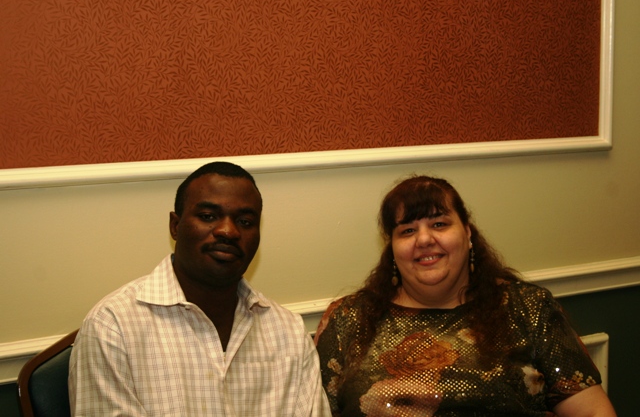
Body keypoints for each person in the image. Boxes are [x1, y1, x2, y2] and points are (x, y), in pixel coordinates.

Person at [314, 175, 616, 417]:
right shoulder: (348, 319)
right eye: (407, 231)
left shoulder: (528, 307)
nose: (424, 239)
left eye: (439, 224)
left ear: (468, 233)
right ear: (391, 247)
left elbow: (592, 411)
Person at [69, 161, 330, 416]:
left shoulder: (289, 332)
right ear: (175, 226)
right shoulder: (113, 327)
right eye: (208, 217)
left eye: (245, 221)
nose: (228, 231)